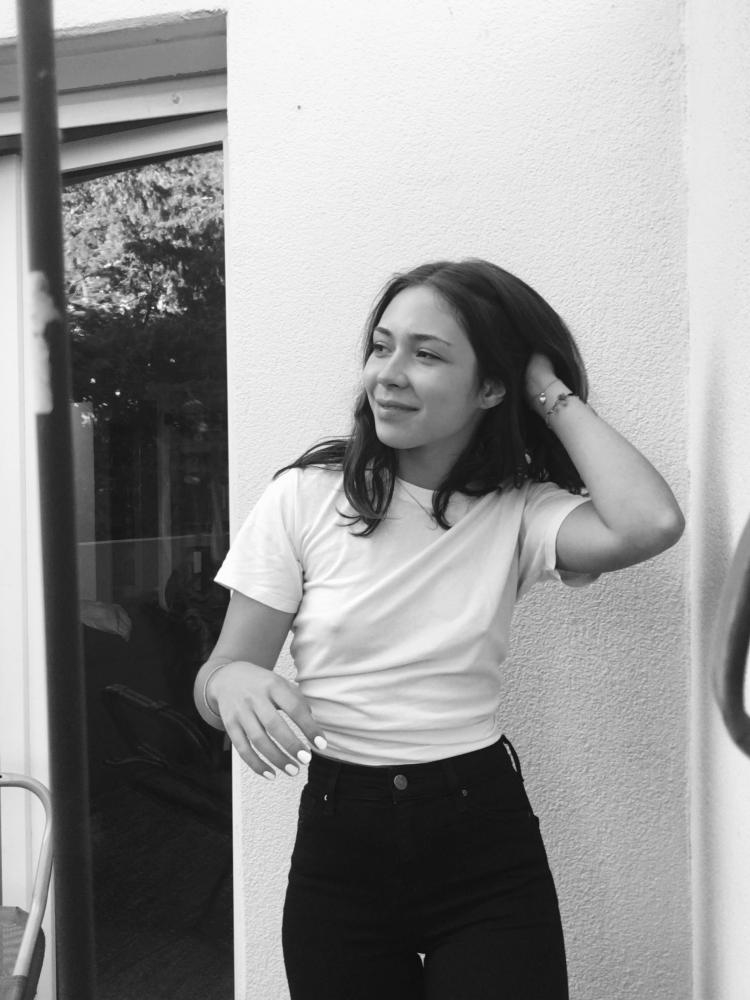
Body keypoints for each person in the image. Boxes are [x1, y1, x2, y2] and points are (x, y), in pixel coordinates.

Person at [193, 259, 684, 999]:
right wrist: (231, 681)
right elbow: (219, 673)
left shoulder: (521, 510)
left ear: (491, 387)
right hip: (340, 844)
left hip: (482, 837)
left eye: (426, 354)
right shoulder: (305, 497)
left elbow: (650, 522)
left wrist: (546, 389)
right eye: (380, 346)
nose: (388, 375)